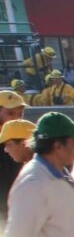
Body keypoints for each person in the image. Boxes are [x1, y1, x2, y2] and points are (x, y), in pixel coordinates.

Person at [0, 90, 26, 225]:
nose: (16, 118)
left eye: (20, 114)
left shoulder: (27, 138)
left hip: (20, 209)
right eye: (10, 113)